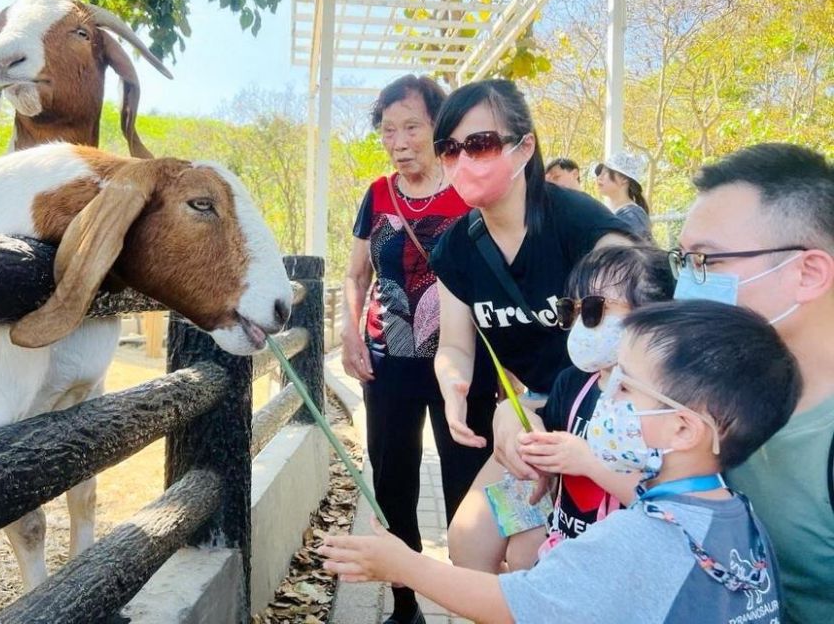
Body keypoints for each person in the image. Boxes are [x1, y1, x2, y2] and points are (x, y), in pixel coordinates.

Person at [320, 300, 800, 624]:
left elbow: (514, 607)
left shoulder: (638, 538)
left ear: (683, 429)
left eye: (626, 387)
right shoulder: (743, 518)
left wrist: (403, 564)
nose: (608, 397)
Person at [426, 79, 633, 572]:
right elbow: (455, 344)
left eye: (480, 144)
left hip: (606, 423)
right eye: (450, 149)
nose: (465, 160)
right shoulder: (456, 249)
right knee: (469, 544)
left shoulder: (585, 228)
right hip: (531, 421)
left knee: (528, 558)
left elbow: (643, 337)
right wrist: (456, 385)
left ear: (524, 147)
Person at [341, 74, 490, 624]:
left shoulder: (469, 191)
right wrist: (350, 330)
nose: (398, 141)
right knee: (393, 483)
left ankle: (472, 600)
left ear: (439, 127)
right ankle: (405, 607)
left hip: (464, 368)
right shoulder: (377, 195)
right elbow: (356, 274)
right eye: (388, 130)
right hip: (388, 362)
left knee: (468, 486)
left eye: (411, 127)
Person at [673, 142, 834, 623]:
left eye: (708, 262)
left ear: (808, 273)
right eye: (681, 262)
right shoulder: (707, 386)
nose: (687, 285)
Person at [513, 245, 675, 559]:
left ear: (655, 313)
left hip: (627, 565)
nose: (580, 325)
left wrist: (588, 461)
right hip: (566, 552)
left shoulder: (668, 404)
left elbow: (670, 506)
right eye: (570, 311)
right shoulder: (572, 382)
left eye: (593, 309)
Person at [595, 150, 655, 243]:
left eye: (605, 173)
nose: (599, 178)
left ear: (624, 179)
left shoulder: (633, 216)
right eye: (599, 174)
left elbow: (635, 255)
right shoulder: (618, 213)